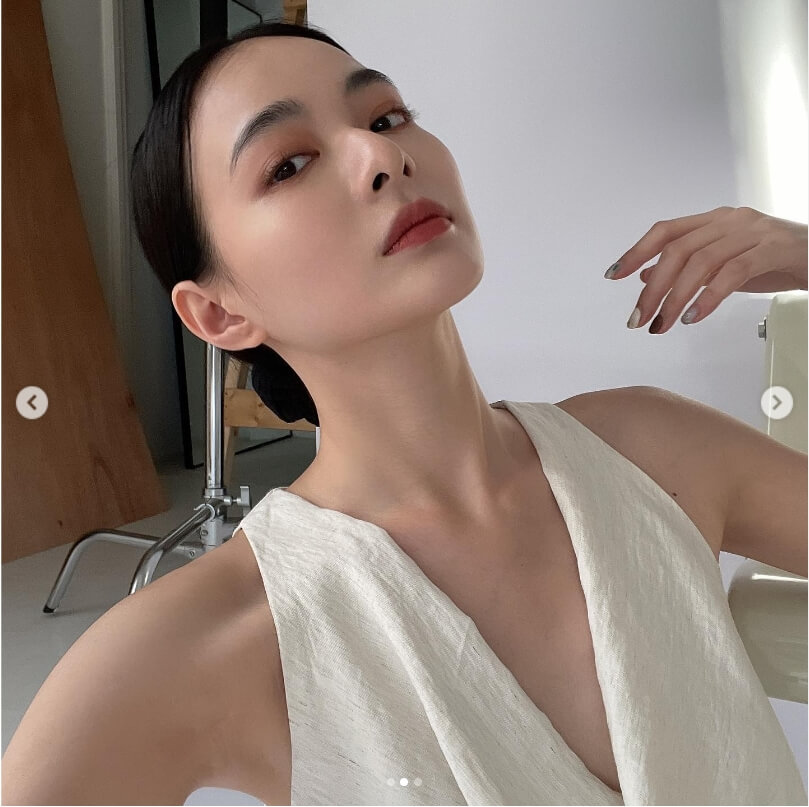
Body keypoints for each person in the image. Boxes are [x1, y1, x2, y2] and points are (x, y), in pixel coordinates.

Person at [3, 18, 807, 806]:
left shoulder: (655, 451)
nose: (381, 155)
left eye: (385, 117)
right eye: (288, 165)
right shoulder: (219, 634)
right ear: (217, 313)